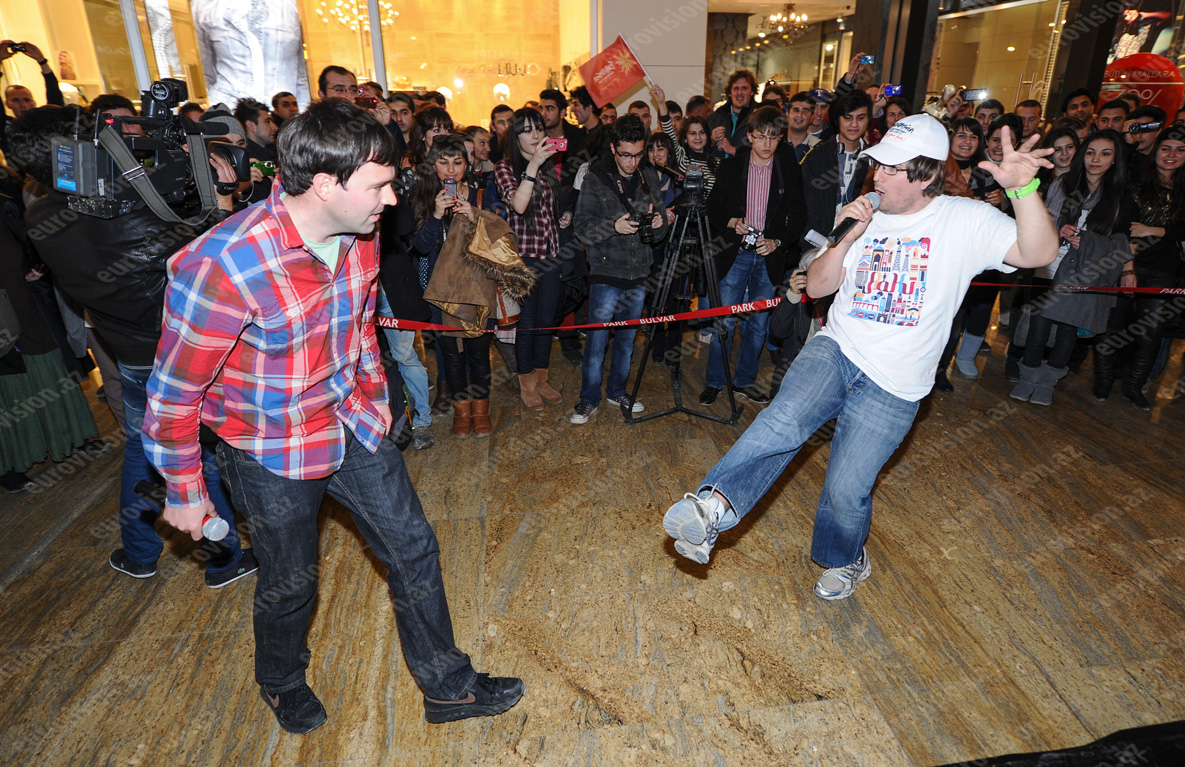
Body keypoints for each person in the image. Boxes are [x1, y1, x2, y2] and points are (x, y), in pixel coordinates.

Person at [142, 99, 524, 733]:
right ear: (324, 184)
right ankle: (281, 680)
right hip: (269, 447)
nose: (394, 199)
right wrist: (186, 491)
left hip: (351, 420)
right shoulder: (222, 265)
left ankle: (449, 689)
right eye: (379, 184)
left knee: (414, 549)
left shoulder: (364, 232)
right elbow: (172, 396)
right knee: (292, 584)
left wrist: (377, 396)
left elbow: (360, 326)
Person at [663, 114, 1058, 600]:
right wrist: (846, 235)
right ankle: (713, 508)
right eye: (877, 166)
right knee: (784, 418)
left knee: (846, 490)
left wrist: (1023, 189)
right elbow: (822, 286)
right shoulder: (862, 218)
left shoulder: (963, 219)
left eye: (892, 170)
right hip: (838, 346)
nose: (878, 177)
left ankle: (845, 559)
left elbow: (1039, 252)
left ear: (927, 175)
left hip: (897, 381)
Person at [13, 105, 256, 588]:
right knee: (191, 459)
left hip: (128, 352)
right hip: (182, 352)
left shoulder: (41, 211)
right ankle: (224, 558)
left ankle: (140, 553)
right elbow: (211, 261)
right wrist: (221, 203)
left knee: (145, 451)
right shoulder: (130, 201)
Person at [1012, 129, 1129, 406]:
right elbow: (1042, 220)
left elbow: (1122, 240)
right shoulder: (1064, 184)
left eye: (1105, 153)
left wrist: (1088, 241)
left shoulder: (1119, 193)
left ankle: (1047, 383)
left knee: (1067, 331)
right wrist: (1058, 230)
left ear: (1115, 159)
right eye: (1090, 152)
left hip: (1086, 270)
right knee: (1038, 327)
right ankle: (1027, 378)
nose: (1096, 159)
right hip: (1050, 263)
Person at [700, 106, 806, 406]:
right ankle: (715, 381)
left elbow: (799, 215)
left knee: (758, 324)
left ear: (781, 138)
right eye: (761, 137)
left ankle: (744, 381)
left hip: (768, 255)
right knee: (726, 321)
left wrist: (778, 241)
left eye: (773, 138)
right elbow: (713, 208)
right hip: (736, 252)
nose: (767, 144)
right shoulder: (733, 166)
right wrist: (733, 222)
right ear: (749, 136)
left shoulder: (788, 169)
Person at [570, 114, 668, 424]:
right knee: (597, 343)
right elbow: (581, 228)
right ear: (614, 148)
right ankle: (588, 398)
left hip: (639, 273)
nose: (632, 161)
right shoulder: (595, 177)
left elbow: (662, 227)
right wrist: (614, 226)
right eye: (626, 154)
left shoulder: (649, 176)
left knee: (627, 341)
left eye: (639, 154)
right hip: (605, 272)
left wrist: (658, 223)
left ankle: (617, 391)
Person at [409, 135, 498, 437]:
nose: (450, 169)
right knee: (451, 356)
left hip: (476, 289)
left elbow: (496, 242)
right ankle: (462, 412)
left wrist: (473, 216)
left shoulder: (482, 195)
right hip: (440, 293)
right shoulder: (423, 197)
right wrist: (436, 214)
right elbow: (420, 247)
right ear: (433, 165)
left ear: (467, 164)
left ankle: (481, 410)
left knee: (478, 352)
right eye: (443, 162)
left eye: (457, 162)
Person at [494, 107, 564, 410]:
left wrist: (565, 215)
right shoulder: (505, 168)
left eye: (539, 128)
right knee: (528, 323)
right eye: (526, 130)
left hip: (551, 254)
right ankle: (526, 383)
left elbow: (548, 207)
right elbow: (519, 205)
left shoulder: (548, 165)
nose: (535, 134)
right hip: (525, 259)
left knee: (547, 322)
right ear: (515, 136)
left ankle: (541, 378)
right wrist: (534, 165)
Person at [1112, 127, 1185, 409]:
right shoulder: (1136, 184)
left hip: (1165, 270)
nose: (1172, 155)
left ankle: (1135, 385)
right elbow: (1124, 228)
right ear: (1155, 151)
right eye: (1166, 148)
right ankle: (1106, 379)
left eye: (1180, 150)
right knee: (1115, 327)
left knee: (1151, 331)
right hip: (1127, 263)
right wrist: (1127, 269)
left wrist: (1155, 230)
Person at [799, 90, 872, 255]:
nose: (854, 124)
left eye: (860, 118)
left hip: (859, 246)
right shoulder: (817, 156)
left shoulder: (874, 160)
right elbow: (804, 205)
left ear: (868, 120)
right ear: (837, 119)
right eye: (847, 117)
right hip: (816, 245)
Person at [651, 83, 719, 191]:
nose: (698, 137)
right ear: (686, 138)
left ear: (707, 136)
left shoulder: (717, 163)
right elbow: (668, 130)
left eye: (702, 132)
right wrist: (661, 103)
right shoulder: (681, 156)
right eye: (692, 133)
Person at [0, 40, 63, 156]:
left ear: (33, 102)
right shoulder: (5, 126)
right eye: (15, 100)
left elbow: (56, 101)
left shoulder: (44, 122)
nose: (22, 105)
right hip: (17, 173)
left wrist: (42, 61)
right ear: (7, 104)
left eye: (26, 100)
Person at [708, 69, 757, 158]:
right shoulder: (715, 117)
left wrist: (732, 150)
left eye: (744, 88)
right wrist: (711, 140)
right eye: (736, 88)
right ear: (729, 93)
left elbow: (764, 151)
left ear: (752, 92)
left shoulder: (759, 117)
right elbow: (699, 150)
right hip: (717, 170)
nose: (739, 93)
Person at [786, 92, 820, 161]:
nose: (799, 115)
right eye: (796, 110)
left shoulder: (819, 148)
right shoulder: (775, 142)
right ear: (787, 114)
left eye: (805, 111)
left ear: (812, 118)